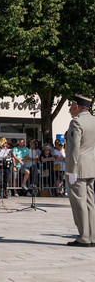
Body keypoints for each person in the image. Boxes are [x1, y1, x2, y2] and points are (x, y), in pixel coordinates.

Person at [65, 95, 95, 247]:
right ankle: (92, 236)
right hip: (90, 166)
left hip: (78, 168)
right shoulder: (93, 120)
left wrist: (71, 170)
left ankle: (84, 237)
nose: (70, 109)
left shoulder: (76, 122)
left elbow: (74, 148)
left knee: (79, 203)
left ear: (77, 106)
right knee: (90, 202)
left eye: (71, 106)